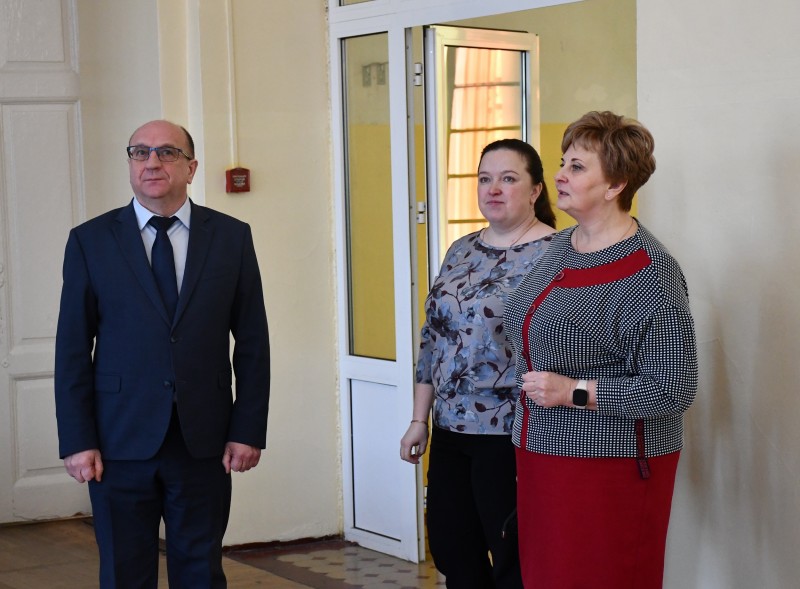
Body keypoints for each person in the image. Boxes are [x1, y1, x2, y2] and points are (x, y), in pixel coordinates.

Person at [54, 120, 270, 588]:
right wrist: (77, 439)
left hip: (203, 441)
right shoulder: (91, 241)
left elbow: (253, 342)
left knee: (200, 573)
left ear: (191, 168)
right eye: (140, 152)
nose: (152, 162)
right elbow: (72, 348)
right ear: (130, 164)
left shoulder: (231, 237)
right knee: (125, 573)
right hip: (117, 441)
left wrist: (248, 429)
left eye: (167, 152)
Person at [503, 111, 698, 588]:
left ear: (616, 185)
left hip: (610, 466)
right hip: (540, 453)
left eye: (576, 167)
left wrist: (573, 391)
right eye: (562, 163)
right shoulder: (560, 247)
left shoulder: (650, 273)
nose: (559, 176)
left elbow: (673, 389)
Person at [400, 139, 556, 588]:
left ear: (535, 189)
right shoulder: (461, 249)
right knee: (453, 549)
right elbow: (433, 338)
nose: (494, 189)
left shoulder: (557, 253)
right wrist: (419, 419)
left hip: (513, 431)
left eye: (508, 179)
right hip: (450, 429)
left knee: (512, 556)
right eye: (485, 179)